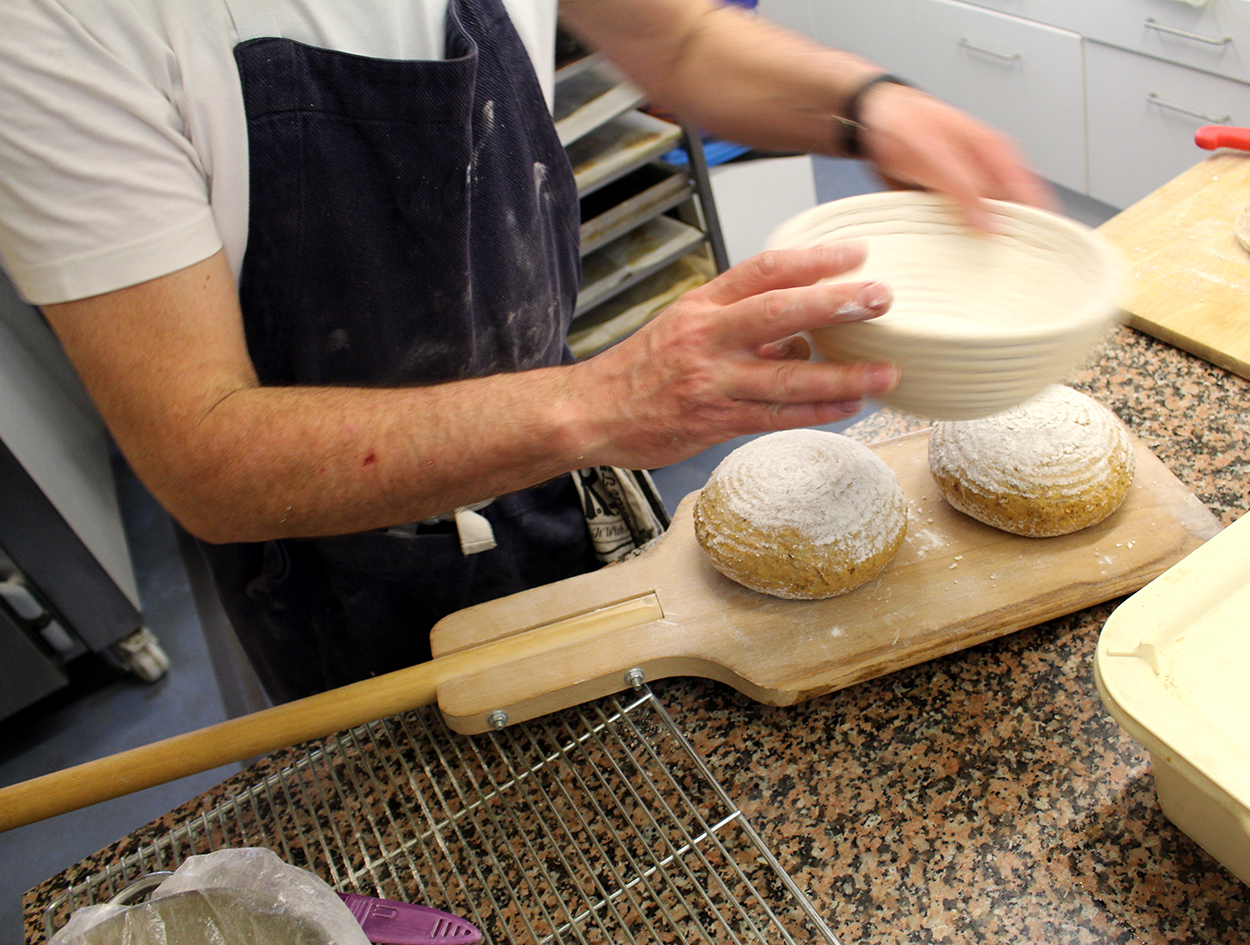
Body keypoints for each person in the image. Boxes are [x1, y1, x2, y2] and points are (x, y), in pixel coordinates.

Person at [0, 0, 1052, 703]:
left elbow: (677, 43)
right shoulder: (55, 33)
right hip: (343, 576)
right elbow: (205, 452)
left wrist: (871, 108)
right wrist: (606, 401)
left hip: (561, 468)